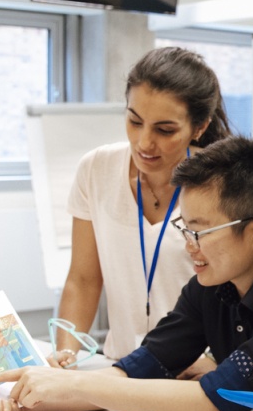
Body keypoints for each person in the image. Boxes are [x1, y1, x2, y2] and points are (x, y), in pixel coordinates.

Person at [0, 135, 253, 411]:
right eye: (184, 227)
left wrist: (72, 382)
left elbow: (209, 406)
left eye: (200, 231)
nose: (188, 246)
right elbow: (131, 374)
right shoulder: (212, 286)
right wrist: (20, 402)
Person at [51, 47, 232, 370]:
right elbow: (83, 279)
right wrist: (66, 355)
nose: (144, 143)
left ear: (200, 127)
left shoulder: (221, 185)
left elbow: (237, 292)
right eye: (135, 121)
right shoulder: (96, 169)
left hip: (194, 373)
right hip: (120, 367)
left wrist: (215, 360)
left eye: (165, 130)